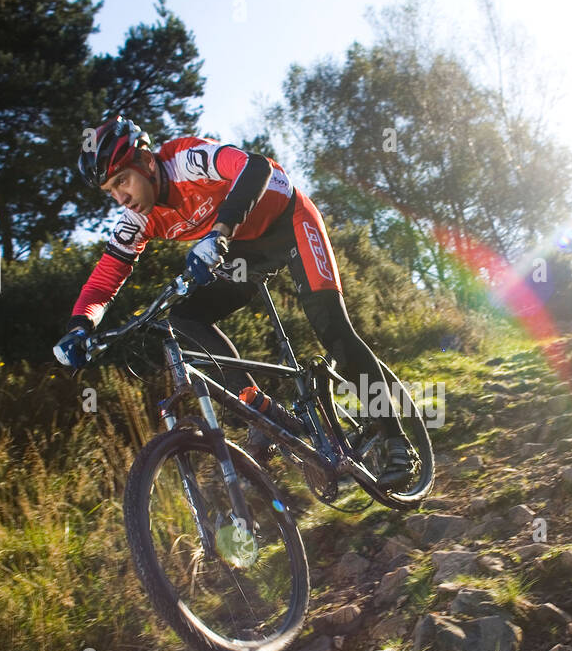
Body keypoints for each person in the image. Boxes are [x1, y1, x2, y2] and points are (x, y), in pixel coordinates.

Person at [54, 115, 420, 489]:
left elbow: (256, 167)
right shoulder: (137, 219)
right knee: (184, 318)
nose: (122, 197)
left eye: (123, 181)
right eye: (111, 191)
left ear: (147, 163)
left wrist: (219, 231)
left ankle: (397, 443)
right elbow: (105, 275)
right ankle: (259, 407)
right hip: (243, 251)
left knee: (333, 330)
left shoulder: (185, 159)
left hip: (290, 222)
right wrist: (80, 327)